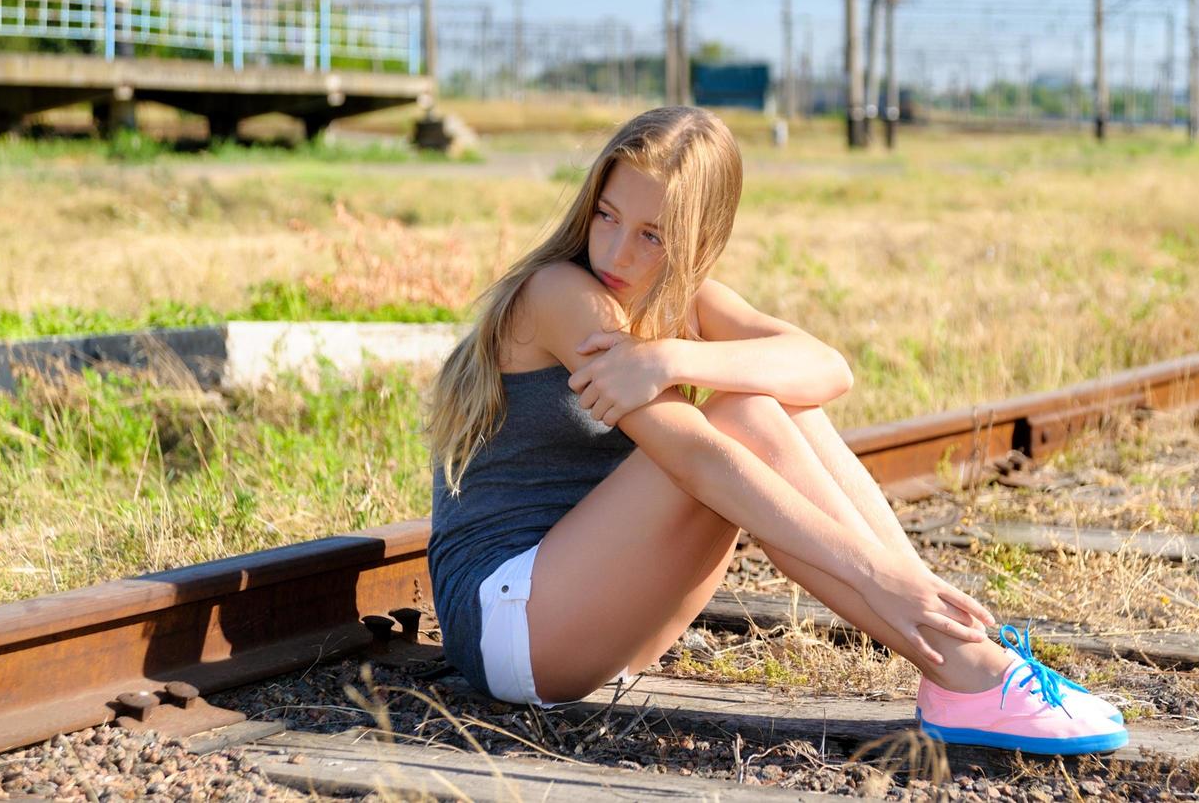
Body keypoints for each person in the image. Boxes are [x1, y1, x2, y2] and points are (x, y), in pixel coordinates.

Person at [424, 105, 1127, 755]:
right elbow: (698, 459)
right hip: (510, 623)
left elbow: (825, 369)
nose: (616, 253)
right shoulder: (561, 294)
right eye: (605, 217)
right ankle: (960, 658)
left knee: (765, 403)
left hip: (595, 615)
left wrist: (671, 355)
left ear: (697, 240)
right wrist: (874, 574)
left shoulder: (681, 302)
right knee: (737, 420)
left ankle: (959, 647)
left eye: (651, 236)